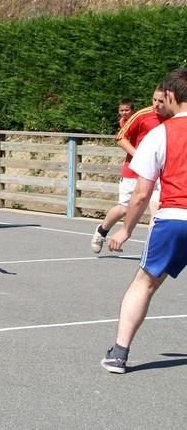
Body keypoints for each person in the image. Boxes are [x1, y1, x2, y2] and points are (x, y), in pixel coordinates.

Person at [102, 67, 187, 374]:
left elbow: (141, 193)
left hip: (174, 217)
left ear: (172, 96)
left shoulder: (160, 134)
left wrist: (126, 230)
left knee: (144, 284)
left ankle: (119, 354)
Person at [91, 88, 170, 254]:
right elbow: (120, 137)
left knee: (157, 210)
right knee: (125, 208)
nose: (156, 104)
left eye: (160, 101)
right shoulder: (142, 115)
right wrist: (139, 156)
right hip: (133, 170)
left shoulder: (173, 116)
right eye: (154, 100)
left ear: (169, 100)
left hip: (158, 173)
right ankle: (102, 230)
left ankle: (152, 250)